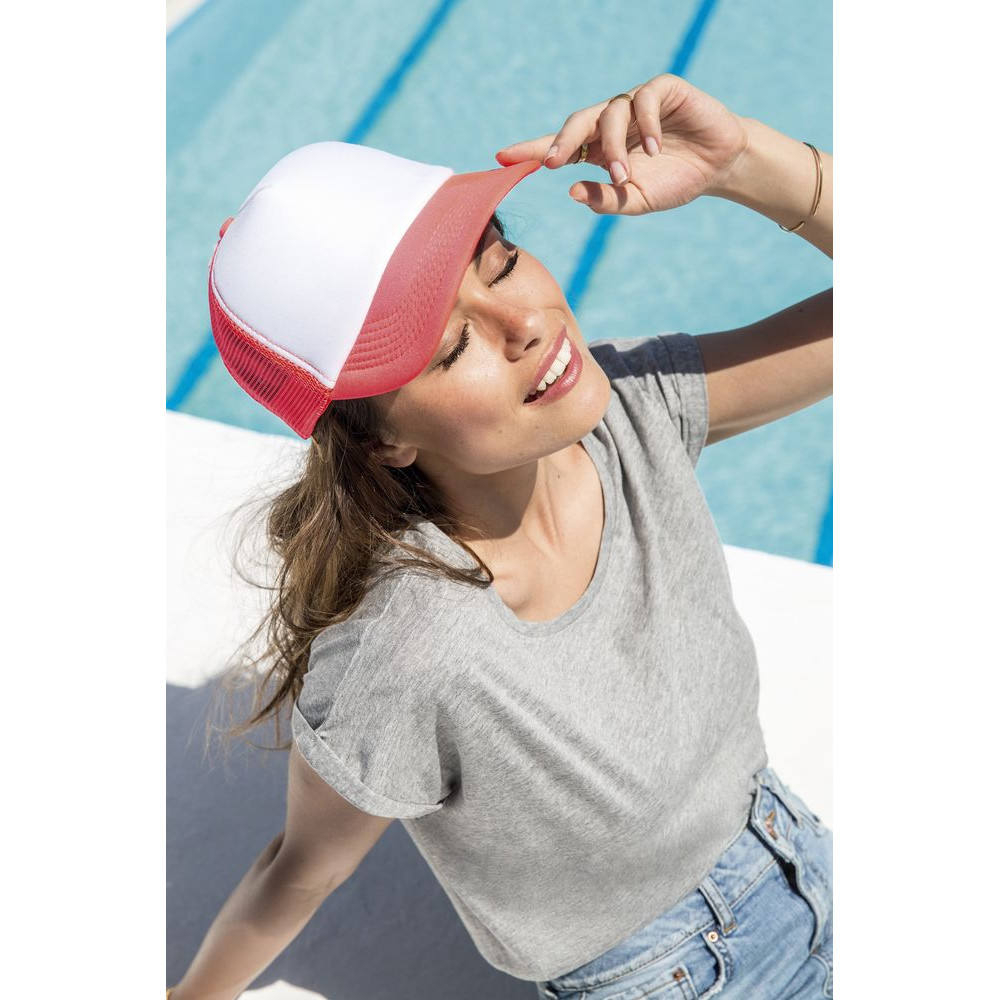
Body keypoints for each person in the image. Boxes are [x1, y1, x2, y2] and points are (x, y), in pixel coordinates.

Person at [168, 72, 833, 999]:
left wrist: (747, 162)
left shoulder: (630, 415)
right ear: (384, 440)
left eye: (502, 260)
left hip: (802, 855)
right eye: (451, 347)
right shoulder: (410, 647)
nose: (526, 323)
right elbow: (304, 868)